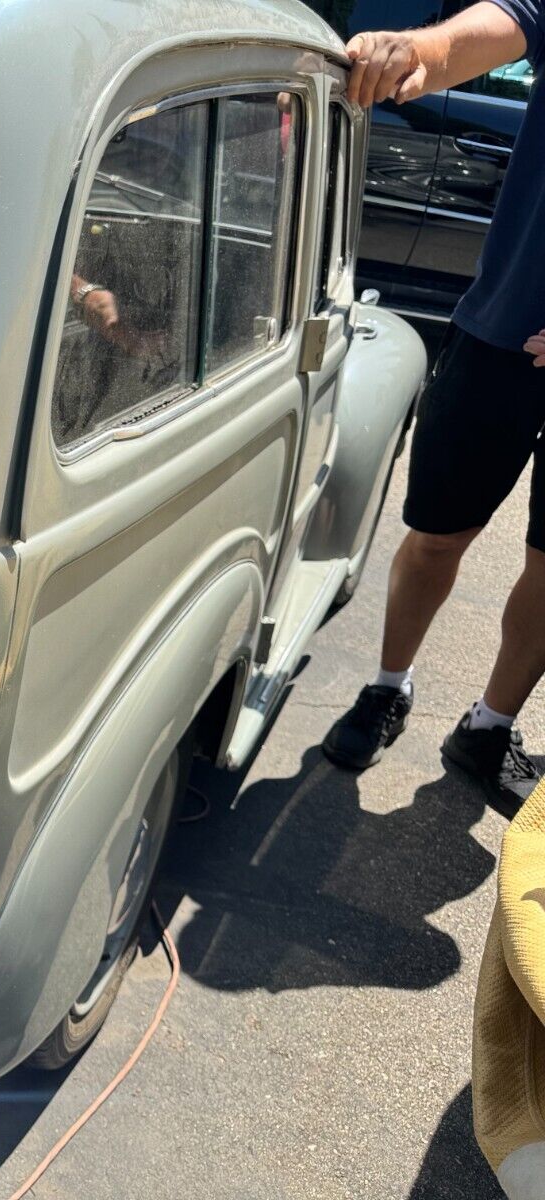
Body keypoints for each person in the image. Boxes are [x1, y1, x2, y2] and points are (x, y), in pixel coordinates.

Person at [322, 0, 545, 813]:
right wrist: (411, 51)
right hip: (500, 334)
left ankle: (487, 727)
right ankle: (388, 686)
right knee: (437, 536)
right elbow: (474, 38)